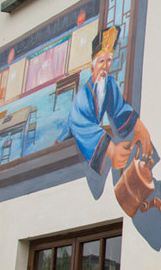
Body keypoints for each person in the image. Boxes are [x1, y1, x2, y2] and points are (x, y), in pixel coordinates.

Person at [60, 25, 153, 174]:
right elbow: (81, 124)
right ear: (92, 66)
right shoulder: (82, 97)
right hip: (71, 144)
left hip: (91, 137)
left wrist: (141, 130)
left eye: (109, 60)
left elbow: (120, 108)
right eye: (101, 61)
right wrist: (111, 151)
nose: (105, 66)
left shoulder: (109, 83)